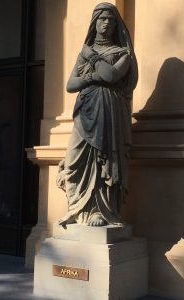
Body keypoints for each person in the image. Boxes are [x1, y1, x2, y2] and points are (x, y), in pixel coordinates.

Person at [56, 2, 138, 227]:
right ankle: (77, 208)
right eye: (102, 19)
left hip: (109, 110)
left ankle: (100, 211)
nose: (106, 23)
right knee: (75, 158)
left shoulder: (123, 54)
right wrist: (91, 75)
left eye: (111, 20)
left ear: (116, 25)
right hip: (85, 109)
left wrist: (91, 61)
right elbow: (71, 84)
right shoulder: (86, 50)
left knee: (104, 158)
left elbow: (111, 76)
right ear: (94, 23)